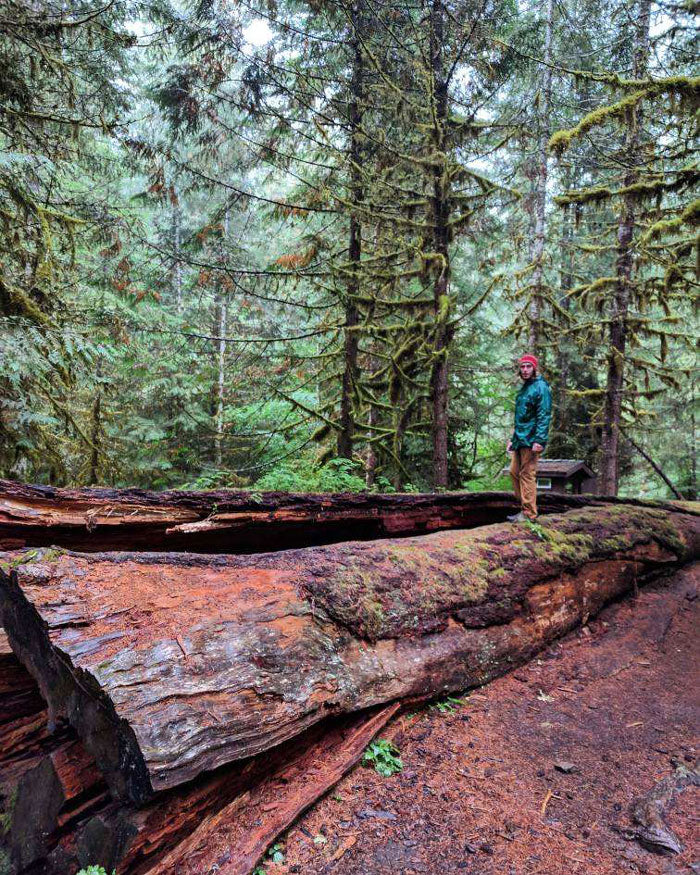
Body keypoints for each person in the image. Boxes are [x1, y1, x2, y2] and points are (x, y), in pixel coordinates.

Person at [506, 354, 552, 522]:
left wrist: (540, 440)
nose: (525, 370)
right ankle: (524, 508)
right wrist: (513, 439)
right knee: (513, 472)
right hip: (520, 438)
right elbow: (521, 417)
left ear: (534, 368)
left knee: (527, 473)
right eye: (522, 367)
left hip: (532, 439)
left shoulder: (541, 387)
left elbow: (544, 415)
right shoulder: (525, 388)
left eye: (528, 367)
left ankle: (529, 514)